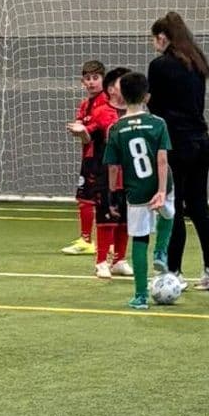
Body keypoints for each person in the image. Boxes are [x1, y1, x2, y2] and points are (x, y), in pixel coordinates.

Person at [147, 11, 209, 290]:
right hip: (201, 141)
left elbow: (154, 107)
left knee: (175, 207)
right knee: (199, 206)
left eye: (155, 39)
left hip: (176, 143)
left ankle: (174, 270)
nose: (154, 44)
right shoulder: (197, 62)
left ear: (163, 37)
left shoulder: (159, 66)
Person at [102, 72, 171, 309]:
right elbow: (162, 161)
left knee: (140, 239)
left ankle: (141, 296)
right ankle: (161, 252)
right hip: (163, 185)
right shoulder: (158, 123)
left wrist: (112, 196)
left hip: (136, 192)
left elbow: (113, 167)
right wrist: (161, 190)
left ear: (121, 97)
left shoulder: (116, 128)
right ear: (147, 97)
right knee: (169, 214)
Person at [62, 60, 117, 256]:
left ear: (103, 80)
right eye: (87, 78)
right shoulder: (84, 105)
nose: (91, 82)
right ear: (82, 82)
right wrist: (80, 129)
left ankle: (110, 243)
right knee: (84, 198)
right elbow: (84, 134)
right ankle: (86, 239)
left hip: (104, 159)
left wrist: (83, 130)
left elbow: (92, 132)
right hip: (88, 157)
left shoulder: (105, 104)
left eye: (96, 78)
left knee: (105, 200)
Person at [95, 67, 134, 280]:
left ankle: (120, 259)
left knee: (125, 219)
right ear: (111, 89)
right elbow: (108, 136)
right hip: (107, 173)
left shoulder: (135, 112)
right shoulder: (102, 112)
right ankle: (101, 260)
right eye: (122, 82)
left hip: (129, 174)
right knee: (106, 218)